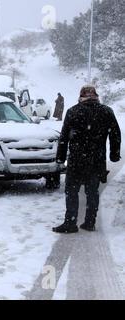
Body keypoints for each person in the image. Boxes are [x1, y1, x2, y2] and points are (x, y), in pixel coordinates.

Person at [53, 85, 121, 234]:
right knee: (92, 191)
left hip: (77, 160)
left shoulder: (73, 111)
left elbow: (64, 137)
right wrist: (114, 155)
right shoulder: (106, 111)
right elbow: (115, 133)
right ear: (96, 95)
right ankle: (90, 222)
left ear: (81, 96)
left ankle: (70, 223)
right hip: (97, 159)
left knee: (72, 191)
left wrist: (60, 157)